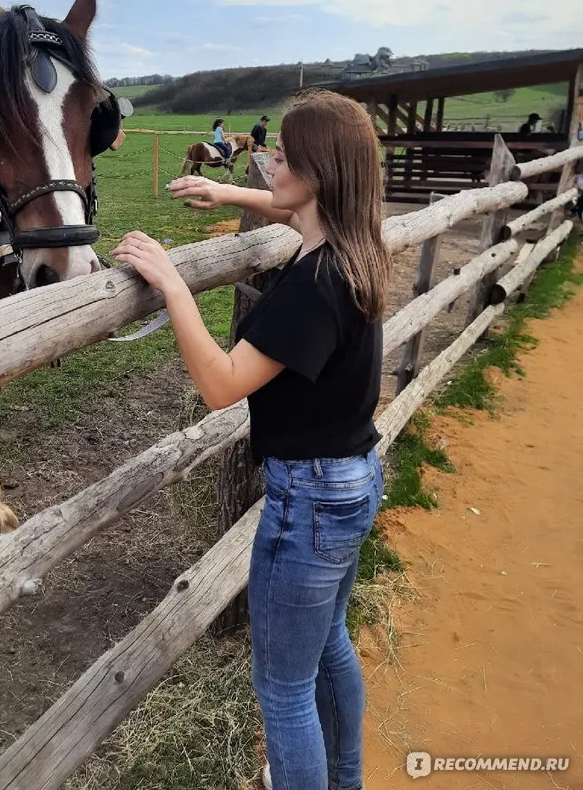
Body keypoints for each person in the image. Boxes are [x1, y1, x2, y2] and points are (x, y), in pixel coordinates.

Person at [113, 91, 389, 790]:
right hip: (354, 479)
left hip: (308, 506)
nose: (271, 164)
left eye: (284, 157)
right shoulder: (356, 247)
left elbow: (222, 383)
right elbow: (290, 206)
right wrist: (223, 187)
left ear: (319, 174)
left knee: (284, 688)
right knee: (329, 644)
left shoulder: (312, 288)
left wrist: (174, 283)